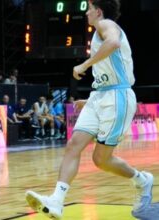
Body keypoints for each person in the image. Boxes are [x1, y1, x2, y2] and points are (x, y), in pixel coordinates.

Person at [25, 1, 154, 219]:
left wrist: (84, 65)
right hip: (100, 96)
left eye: (89, 7)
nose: (86, 12)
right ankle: (56, 201)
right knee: (73, 145)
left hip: (117, 98)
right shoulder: (98, 32)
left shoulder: (106, 25)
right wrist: (91, 98)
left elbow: (113, 43)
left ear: (99, 11)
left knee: (101, 159)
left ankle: (142, 180)